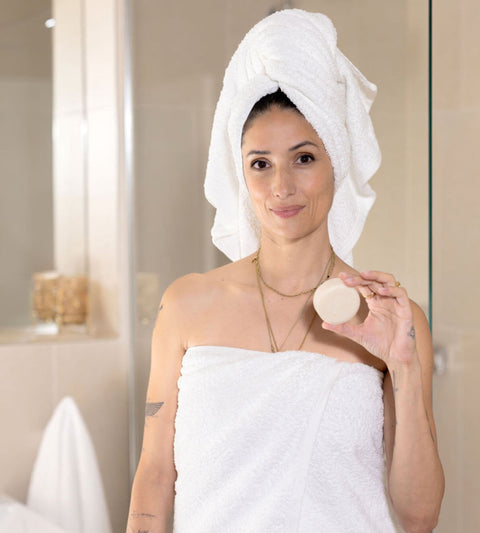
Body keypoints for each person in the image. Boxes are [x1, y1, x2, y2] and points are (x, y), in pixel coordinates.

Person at [127, 9, 444, 533]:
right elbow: (155, 475)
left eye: (304, 158)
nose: (281, 188)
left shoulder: (390, 319)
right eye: (261, 164)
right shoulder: (186, 305)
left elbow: (420, 516)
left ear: (336, 161)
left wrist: (403, 368)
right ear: (241, 174)